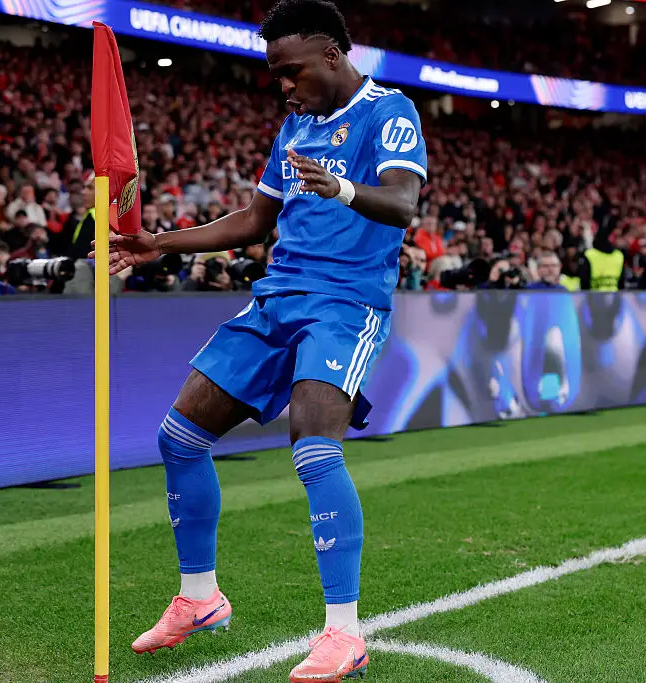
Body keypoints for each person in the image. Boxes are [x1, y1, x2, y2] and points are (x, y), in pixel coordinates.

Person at [97, 2, 426, 680]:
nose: (282, 84)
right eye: (275, 73)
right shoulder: (295, 125)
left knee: (312, 446)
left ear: (332, 56)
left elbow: (401, 204)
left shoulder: (390, 113)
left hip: (345, 305)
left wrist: (339, 186)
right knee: (177, 435)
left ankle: (344, 634)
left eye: (291, 70)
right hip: (278, 297)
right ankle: (200, 597)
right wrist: (160, 242)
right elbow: (254, 220)